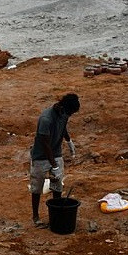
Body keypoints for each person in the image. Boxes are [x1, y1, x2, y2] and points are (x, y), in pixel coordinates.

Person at [29, 93, 80, 227]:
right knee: (37, 188)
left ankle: (56, 214)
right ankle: (36, 217)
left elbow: (63, 128)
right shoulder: (46, 119)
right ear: (64, 107)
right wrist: (54, 166)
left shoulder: (64, 114)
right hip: (40, 156)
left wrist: (69, 141)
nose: (70, 116)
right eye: (70, 113)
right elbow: (45, 144)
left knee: (57, 186)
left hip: (56, 153)